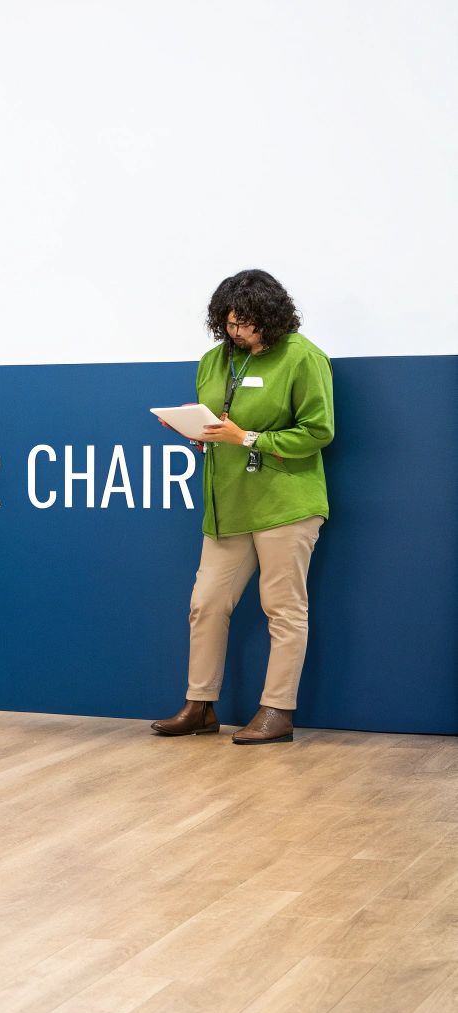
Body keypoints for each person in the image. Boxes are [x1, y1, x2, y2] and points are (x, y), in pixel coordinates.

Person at [153, 270, 333, 744]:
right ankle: (200, 705)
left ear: (270, 316)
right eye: (230, 323)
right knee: (206, 604)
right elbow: (218, 425)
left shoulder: (303, 357)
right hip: (226, 504)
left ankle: (277, 710)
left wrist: (247, 437)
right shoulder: (215, 360)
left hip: (285, 503)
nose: (237, 332)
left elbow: (318, 432)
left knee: (282, 608)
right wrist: (198, 432)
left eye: (247, 323)